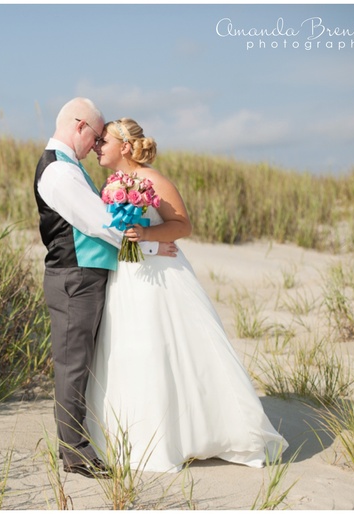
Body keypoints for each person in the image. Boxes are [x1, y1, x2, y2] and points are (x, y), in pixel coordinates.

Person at [85, 118, 288, 473]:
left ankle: (192, 435)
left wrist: (146, 236)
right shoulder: (110, 184)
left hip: (160, 279)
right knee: (129, 350)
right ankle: (133, 435)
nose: (97, 145)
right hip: (127, 278)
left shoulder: (153, 179)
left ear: (126, 147)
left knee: (162, 348)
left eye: (104, 140)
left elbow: (182, 225)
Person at [33, 100, 178, 479]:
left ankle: (82, 443)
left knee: (82, 364)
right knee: (73, 366)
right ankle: (76, 454)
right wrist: (150, 246)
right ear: (80, 127)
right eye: (95, 136)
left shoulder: (69, 167)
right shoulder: (58, 172)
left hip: (85, 277)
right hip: (73, 279)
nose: (96, 145)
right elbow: (100, 224)